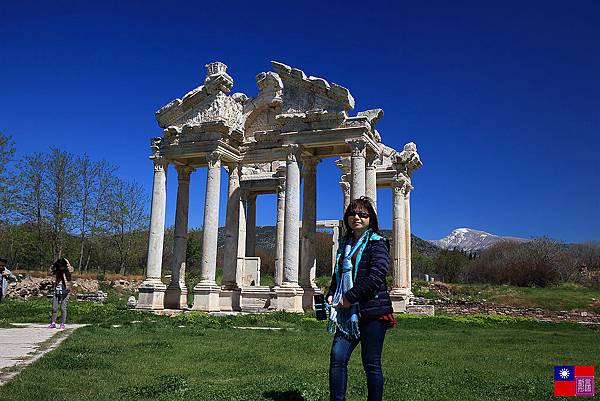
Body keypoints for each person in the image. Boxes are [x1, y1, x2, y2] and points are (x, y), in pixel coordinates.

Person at [326, 197, 396, 401]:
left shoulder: (378, 243)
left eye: (362, 214)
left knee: (371, 364)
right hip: (348, 315)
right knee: (337, 358)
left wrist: (350, 297)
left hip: (372, 311)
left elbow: (376, 276)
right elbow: (338, 274)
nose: (356, 217)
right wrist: (331, 293)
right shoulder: (345, 245)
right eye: (352, 213)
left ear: (370, 219)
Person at [48, 258, 74, 329]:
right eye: (60, 266)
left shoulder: (68, 271)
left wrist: (67, 263)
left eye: (62, 266)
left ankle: (62, 323)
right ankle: (53, 323)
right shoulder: (57, 271)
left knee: (63, 308)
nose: (61, 267)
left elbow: (71, 270)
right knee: (54, 308)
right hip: (56, 291)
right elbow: (49, 272)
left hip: (65, 292)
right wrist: (54, 264)